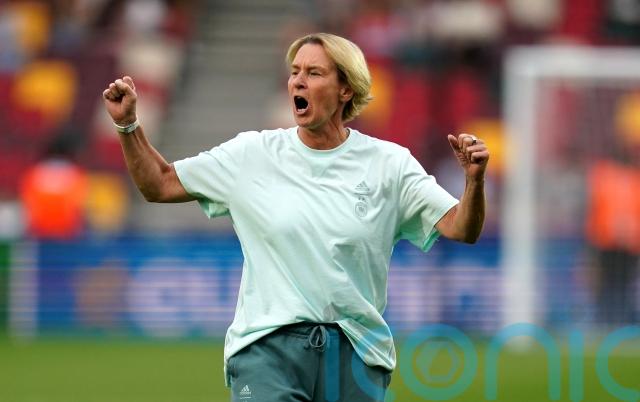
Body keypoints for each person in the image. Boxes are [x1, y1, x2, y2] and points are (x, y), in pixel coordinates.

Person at [103, 33, 489, 402]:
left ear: (345, 89)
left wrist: (474, 182)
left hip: (357, 352)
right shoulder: (252, 154)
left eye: (314, 73)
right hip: (266, 350)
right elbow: (160, 183)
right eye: (294, 72)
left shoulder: (390, 164)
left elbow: (461, 227)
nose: (298, 82)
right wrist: (127, 125)